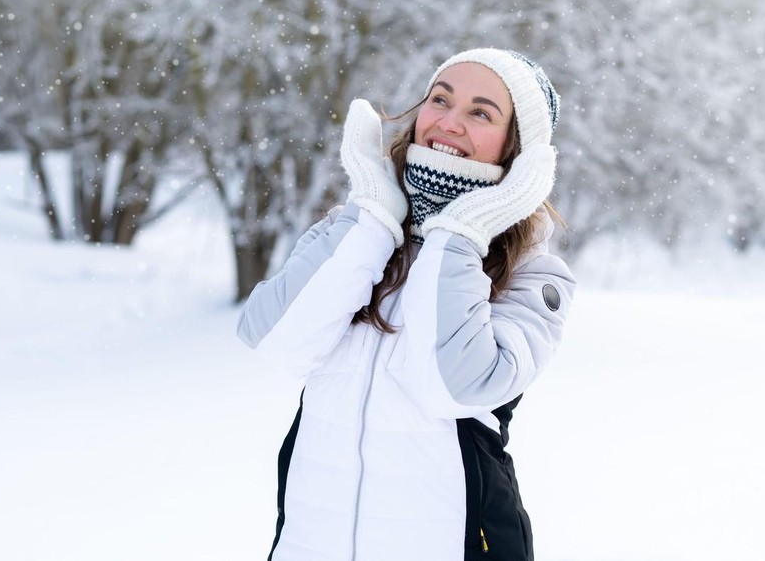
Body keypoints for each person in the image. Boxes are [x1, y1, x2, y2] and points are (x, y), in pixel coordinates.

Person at [237, 48, 576, 561]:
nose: (449, 121)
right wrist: (373, 215)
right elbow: (276, 340)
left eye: (480, 113)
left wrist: (461, 231)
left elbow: (457, 387)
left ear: (518, 151)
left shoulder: (534, 274)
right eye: (440, 99)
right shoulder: (355, 231)